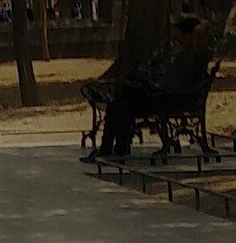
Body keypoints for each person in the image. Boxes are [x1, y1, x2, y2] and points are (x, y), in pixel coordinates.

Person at [89, 18, 210, 159]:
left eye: (183, 35)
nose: (179, 38)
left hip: (171, 99)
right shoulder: (183, 55)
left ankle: (116, 148)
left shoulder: (198, 55)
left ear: (192, 36)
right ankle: (111, 147)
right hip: (163, 95)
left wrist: (200, 25)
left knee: (125, 98)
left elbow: (200, 31)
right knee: (120, 100)